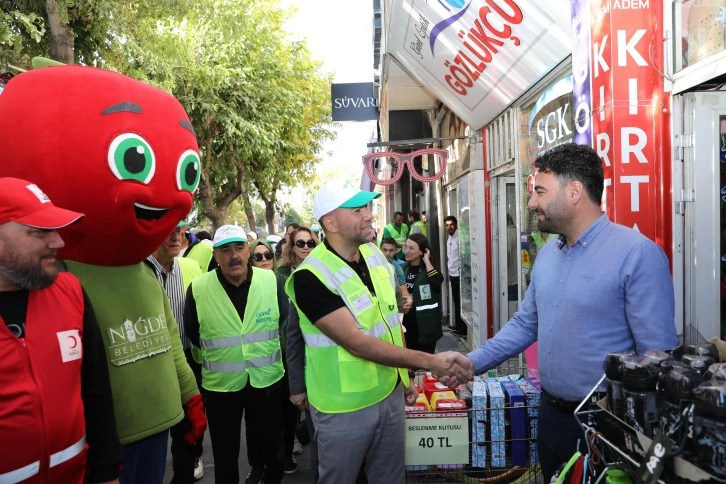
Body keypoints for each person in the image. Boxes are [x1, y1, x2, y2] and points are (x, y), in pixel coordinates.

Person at [444, 143, 679, 482]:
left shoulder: (637, 255)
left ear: (574, 192)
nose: (531, 202)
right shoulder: (549, 255)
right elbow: (526, 324)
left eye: (540, 191)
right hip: (550, 418)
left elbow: (656, 359)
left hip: (605, 428)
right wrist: (473, 361)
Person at [285, 182, 469, 484]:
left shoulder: (372, 254)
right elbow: (357, 343)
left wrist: (404, 377)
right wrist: (430, 362)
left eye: (367, 207)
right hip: (343, 409)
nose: (369, 215)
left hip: (390, 395)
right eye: (357, 210)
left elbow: (390, 322)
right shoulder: (310, 276)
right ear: (330, 223)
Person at [0, 177, 122, 483]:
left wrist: (108, 473)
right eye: (40, 231)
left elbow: (97, 393)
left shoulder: (71, 292)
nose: (59, 242)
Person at [184, 225, 289, 484]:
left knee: (271, 449)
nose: (234, 256)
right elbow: (192, 332)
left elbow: (284, 321)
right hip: (221, 389)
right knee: (225, 454)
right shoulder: (198, 288)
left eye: (239, 248)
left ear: (248, 251)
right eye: (226, 250)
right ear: (216, 257)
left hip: (267, 381)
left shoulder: (272, 281)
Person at [146, 225, 206, 482]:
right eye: (166, 229)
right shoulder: (137, 270)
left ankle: (190, 463)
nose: (174, 236)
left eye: (179, 229)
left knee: (188, 432)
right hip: (152, 365)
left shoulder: (191, 266)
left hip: (188, 359)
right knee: (153, 437)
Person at [248, 239, 300, 475]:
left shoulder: (283, 282)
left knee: (288, 415)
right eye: (257, 257)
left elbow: (288, 322)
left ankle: (285, 456)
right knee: (260, 421)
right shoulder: (246, 286)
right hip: (258, 367)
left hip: (285, 360)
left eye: (267, 255)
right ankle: (259, 465)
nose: (264, 260)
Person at [402, 234, 444, 354]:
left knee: (425, 362)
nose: (407, 251)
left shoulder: (428, 270)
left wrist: (427, 261)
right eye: (406, 247)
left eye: (411, 248)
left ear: (422, 251)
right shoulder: (402, 269)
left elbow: (437, 280)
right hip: (406, 324)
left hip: (426, 325)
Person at [444, 215, 466, 336]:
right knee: (455, 301)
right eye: (447, 225)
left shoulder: (459, 237)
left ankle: (462, 328)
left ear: (456, 225)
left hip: (459, 274)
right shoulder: (450, 238)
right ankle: (458, 326)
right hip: (452, 274)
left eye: (451, 225)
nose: (449, 227)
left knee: (460, 302)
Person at [380, 237, 413, 313]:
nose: (388, 254)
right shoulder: (375, 265)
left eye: (391, 250)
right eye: (385, 250)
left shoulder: (402, 265)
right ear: (380, 249)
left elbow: (403, 289)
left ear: (396, 251)